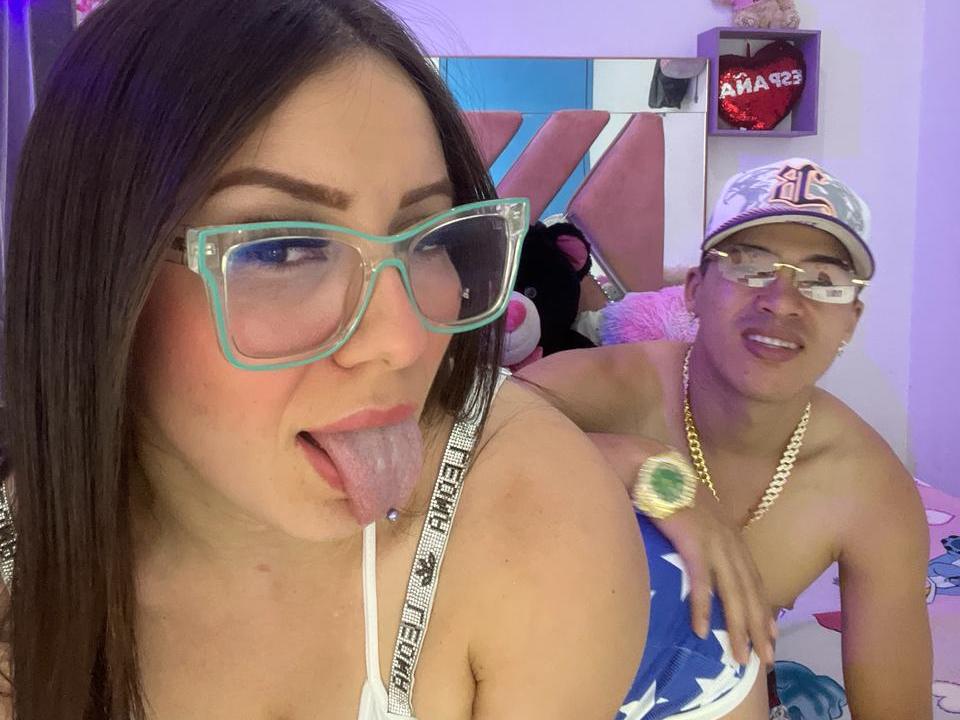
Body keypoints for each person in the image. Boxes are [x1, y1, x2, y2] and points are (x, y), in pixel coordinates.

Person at [0, 1, 768, 719]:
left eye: (430, 236)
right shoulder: (22, 582)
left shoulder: (530, 526)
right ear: (98, 276)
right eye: (283, 247)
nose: (402, 340)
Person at [519, 157, 933, 719]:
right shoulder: (603, 390)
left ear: (851, 321)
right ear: (694, 290)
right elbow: (447, 451)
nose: (782, 301)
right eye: (750, 266)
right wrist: (643, 466)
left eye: (823, 282)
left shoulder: (869, 493)